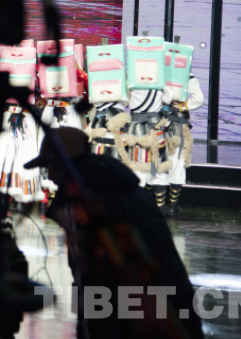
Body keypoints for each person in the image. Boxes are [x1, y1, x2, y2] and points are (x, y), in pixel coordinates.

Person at [24, 127, 203, 339]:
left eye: (49, 168)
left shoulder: (84, 206)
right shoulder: (126, 188)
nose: (50, 177)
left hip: (140, 318)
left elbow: (93, 285)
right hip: (172, 306)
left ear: (62, 165)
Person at [159, 74, 204, 216]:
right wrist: (181, 106)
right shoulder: (186, 75)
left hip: (158, 124)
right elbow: (199, 99)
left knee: (158, 164)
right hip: (179, 125)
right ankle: (172, 206)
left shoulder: (158, 72)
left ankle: (159, 206)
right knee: (177, 165)